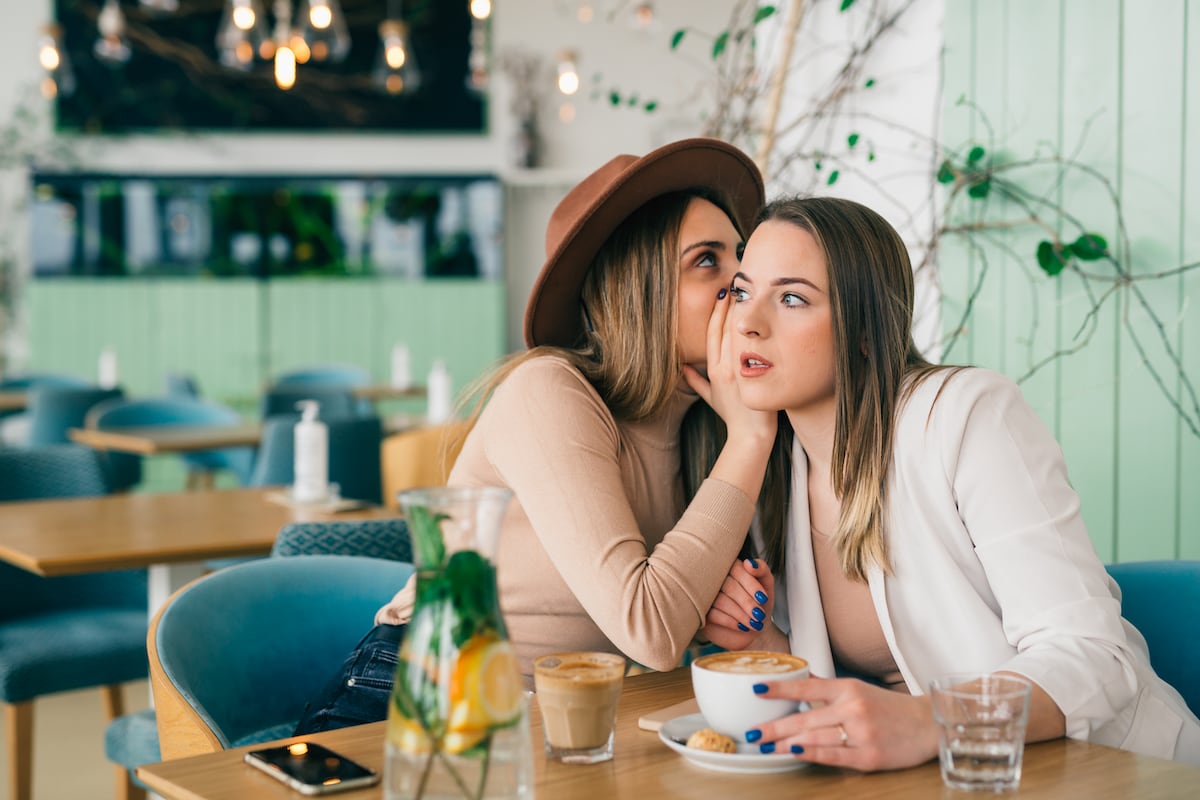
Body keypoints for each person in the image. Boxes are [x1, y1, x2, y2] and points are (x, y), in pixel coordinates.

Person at [294, 138, 791, 734]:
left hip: (555, 717)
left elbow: (684, 625)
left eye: (741, 256)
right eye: (707, 260)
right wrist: (750, 440)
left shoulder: (707, 426)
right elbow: (652, 632)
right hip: (418, 695)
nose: (739, 281)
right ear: (636, 286)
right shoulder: (550, 391)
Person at [701, 195, 1200, 768]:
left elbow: (1093, 657)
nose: (747, 322)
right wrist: (764, 644)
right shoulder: (772, 466)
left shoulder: (966, 417)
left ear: (865, 330)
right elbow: (855, 703)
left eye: (791, 298)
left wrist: (928, 720)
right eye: (741, 291)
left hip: (1113, 773)